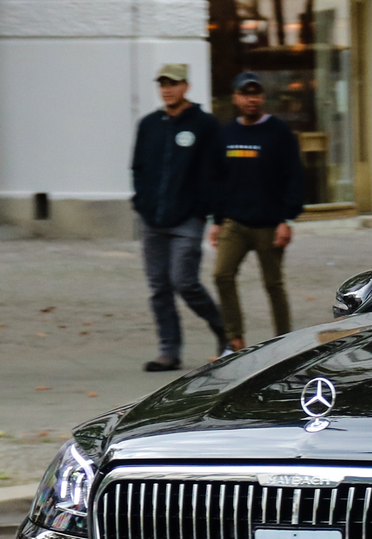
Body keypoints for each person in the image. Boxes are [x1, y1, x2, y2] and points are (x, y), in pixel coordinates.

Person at [130, 63, 227, 371]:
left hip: (188, 219)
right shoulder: (149, 124)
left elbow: (215, 173)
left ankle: (225, 330)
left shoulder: (204, 124)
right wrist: (142, 202)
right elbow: (139, 167)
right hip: (152, 219)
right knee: (159, 287)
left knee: (184, 281)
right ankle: (168, 350)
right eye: (162, 84)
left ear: (186, 86)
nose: (167, 89)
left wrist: (206, 212)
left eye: (173, 83)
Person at [208, 72, 307, 348]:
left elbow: (294, 176)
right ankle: (234, 339)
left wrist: (287, 219)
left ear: (262, 97)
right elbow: (217, 178)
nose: (252, 99)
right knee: (221, 275)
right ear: (236, 98)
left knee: (273, 284)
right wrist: (216, 220)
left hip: (269, 223)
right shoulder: (227, 133)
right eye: (246, 94)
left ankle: (284, 341)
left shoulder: (278, 132)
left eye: (256, 94)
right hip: (234, 223)